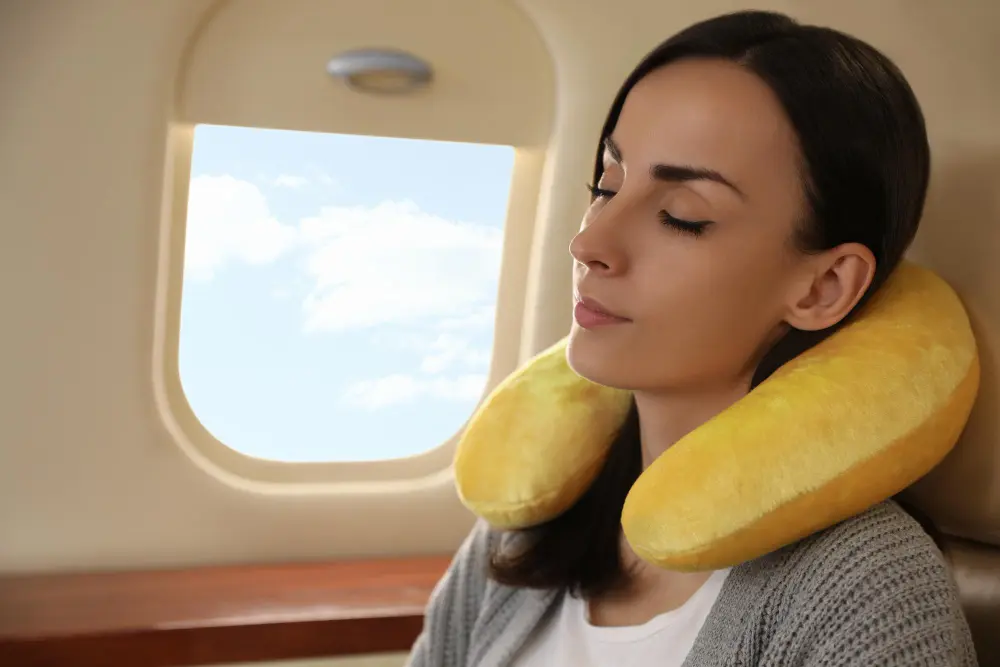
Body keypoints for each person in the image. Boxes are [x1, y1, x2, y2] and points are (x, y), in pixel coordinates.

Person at [405, 10, 978, 667]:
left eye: (683, 217)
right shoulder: (517, 538)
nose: (589, 243)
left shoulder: (870, 586)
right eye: (606, 184)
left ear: (823, 287)